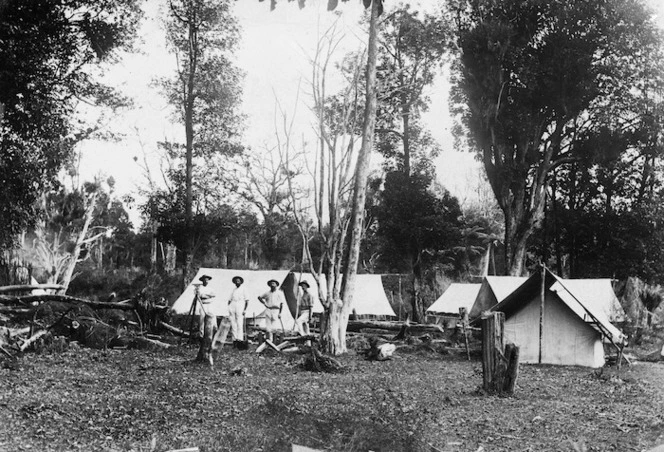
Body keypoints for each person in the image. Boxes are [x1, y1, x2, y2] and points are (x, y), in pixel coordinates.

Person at [228, 275, 249, 347]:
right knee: (233, 324)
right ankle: (234, 340)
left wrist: (245, 309)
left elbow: (247, 301)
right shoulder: (233, 290)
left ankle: (240, 340)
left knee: (239, 323)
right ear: (234, 282)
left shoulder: (244, 289)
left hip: (240, 305)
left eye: (238, 281)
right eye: (236, 281)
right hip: (233, 305)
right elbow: (229, 299)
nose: (237, 282)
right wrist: (229, 307)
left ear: (241, 282)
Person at [196, 275, 216, 339]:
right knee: (202, 319)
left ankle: (211, 335)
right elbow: (200, 295)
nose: (206, 281)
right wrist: (208, 295)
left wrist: (206, 295)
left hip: (210, 304)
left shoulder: (211, 288)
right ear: (202, 281)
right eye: (205, 280)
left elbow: (213, 295)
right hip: (203, 304)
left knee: (211, 319)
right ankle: (201, 335)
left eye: (207, 280)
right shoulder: (200, 288)